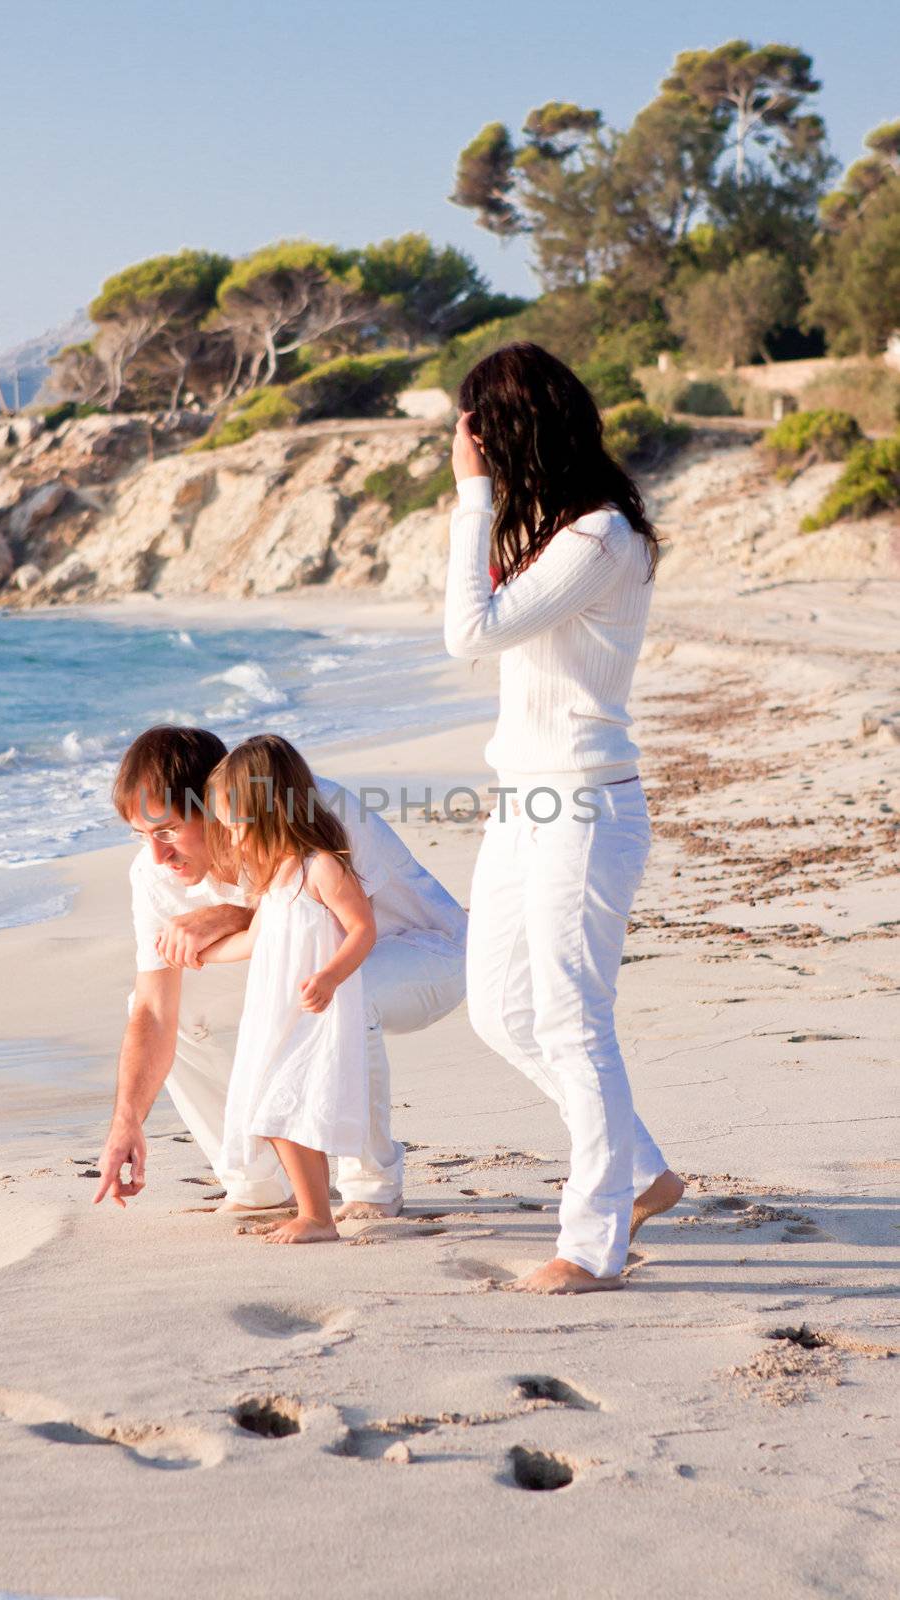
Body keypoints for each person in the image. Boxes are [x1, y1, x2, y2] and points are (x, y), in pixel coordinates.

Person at [444, 341, 684, 1296]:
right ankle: (641, 1171)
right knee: (502, 1012)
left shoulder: (600, 538)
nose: (468, 449)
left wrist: (468, 501)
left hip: (584, 807)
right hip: (524, 805)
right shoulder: (555, 534)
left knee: (573, 1023)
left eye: (477, 432)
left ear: (512, 431)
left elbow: (470, 633)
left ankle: (591, 1245)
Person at [93, 724, 466, 1217]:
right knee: (175, 1009)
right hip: (298, 965)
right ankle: (256, 1182)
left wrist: (230, 914)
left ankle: (372, 1185)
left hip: (420, 952)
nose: (158, 856)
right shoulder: (154, 874)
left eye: (167, 831)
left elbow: (330, 926)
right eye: (142, 836)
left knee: (346, 988)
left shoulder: (306, 806)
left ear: (215, 805)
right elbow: (153, 1008)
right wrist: (126, 1121)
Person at [197, 735, 375, 1244]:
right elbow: (255, 939)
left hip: (313, 1012)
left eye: (234, 820)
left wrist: (331, 976)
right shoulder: (275, 878)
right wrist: (201, 954)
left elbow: (362, 927)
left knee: (284, 1109)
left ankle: (318, 1217)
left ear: (270, 809)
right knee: (276, 1111)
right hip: (274, 1014)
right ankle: (314, 1210)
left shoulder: (322, 866)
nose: (229, 834)